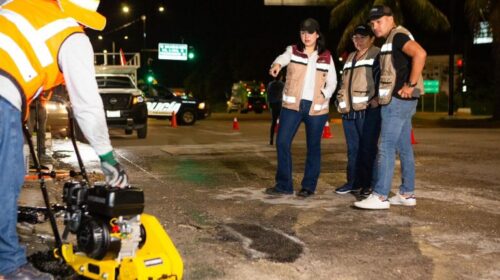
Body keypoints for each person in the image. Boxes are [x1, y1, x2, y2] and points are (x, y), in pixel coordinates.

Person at [0, 0, 129, 278]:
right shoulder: (71, 35)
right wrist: (107, 158)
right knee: (5, 183)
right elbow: (88, 105)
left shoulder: (21, 5)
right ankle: (8, 266)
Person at [354, 5, 426, 209]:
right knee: (403, 148)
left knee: (385, 146)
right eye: (373, 23)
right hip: (398, 101)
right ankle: (407, 193)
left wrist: (410, 85)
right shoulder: (391, 38)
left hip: (398, 102)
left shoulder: (398, 36)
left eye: (379, 21)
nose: (375, 26)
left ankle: (380, 196)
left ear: (391, 19)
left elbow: (420, 54)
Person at [266, 18, 337, 198]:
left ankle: (308, 186)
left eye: (310, 32)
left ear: (317, 34)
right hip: (292, 106)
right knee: (282, 142)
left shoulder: (326, 56)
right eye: (303, 32)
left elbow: (333, 81)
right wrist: (276, 65)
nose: (306, 36)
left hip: (316, 109)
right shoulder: (293, 50)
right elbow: (282, 58)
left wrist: (324, 94)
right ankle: (284, 185)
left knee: (313, 147)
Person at [335, 24, 381, 197]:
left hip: (366, 110)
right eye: (355, 38)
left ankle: (371, 184)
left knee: (368, 149)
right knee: (353, 149)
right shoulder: (350, 57)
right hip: (349, 111)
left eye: (362, 37)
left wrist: (377, 99)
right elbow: (343, 82)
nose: (358, 41)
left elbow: (383, 78)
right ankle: (353, 182)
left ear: (371, 39)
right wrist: (339, 100)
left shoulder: (376, 54)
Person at [267, 73, 284, 145]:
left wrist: (269, 104)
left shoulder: (270, 84)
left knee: (273, 122)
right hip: (280, 104)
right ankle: (281, 139)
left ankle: (271, 139)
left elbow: (268, 94)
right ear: (280, 77)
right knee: (282, 123)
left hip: (272, 104)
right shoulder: (282, 84)